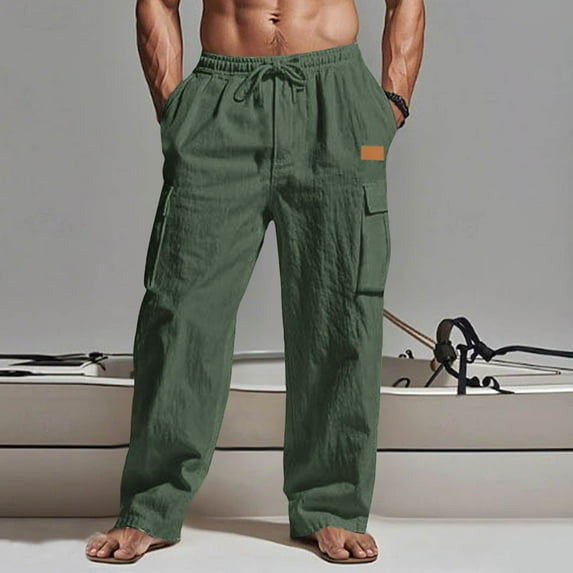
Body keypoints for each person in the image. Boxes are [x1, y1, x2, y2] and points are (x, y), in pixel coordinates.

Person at [85, 0, 424, 564]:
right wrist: (176, 108)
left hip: (337, 102)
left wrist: (392, 103)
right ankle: (151, 506)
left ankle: (332, 506)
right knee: (180, 312)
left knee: (340, 310)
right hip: (220, 99)